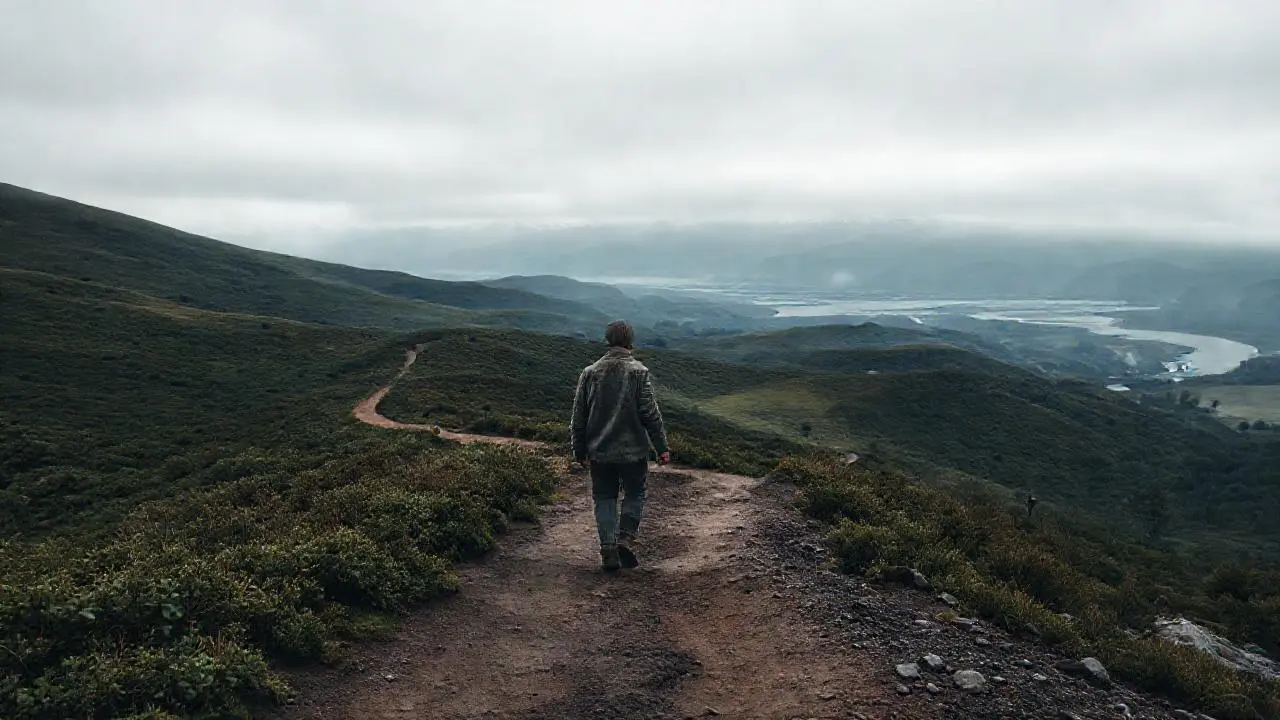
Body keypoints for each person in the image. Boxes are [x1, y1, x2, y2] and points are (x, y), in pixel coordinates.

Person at [570, 320, 670, 572]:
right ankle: (625, 537)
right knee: (635, 493)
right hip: (633, 450)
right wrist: (661, 446)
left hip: (599, 449)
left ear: (608, 339)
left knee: (604, 496)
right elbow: (650, 413)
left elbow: (578, 417)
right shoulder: (639, 372)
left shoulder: (589, 372)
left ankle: (608, 550)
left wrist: (578, 449)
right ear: (629, 341)